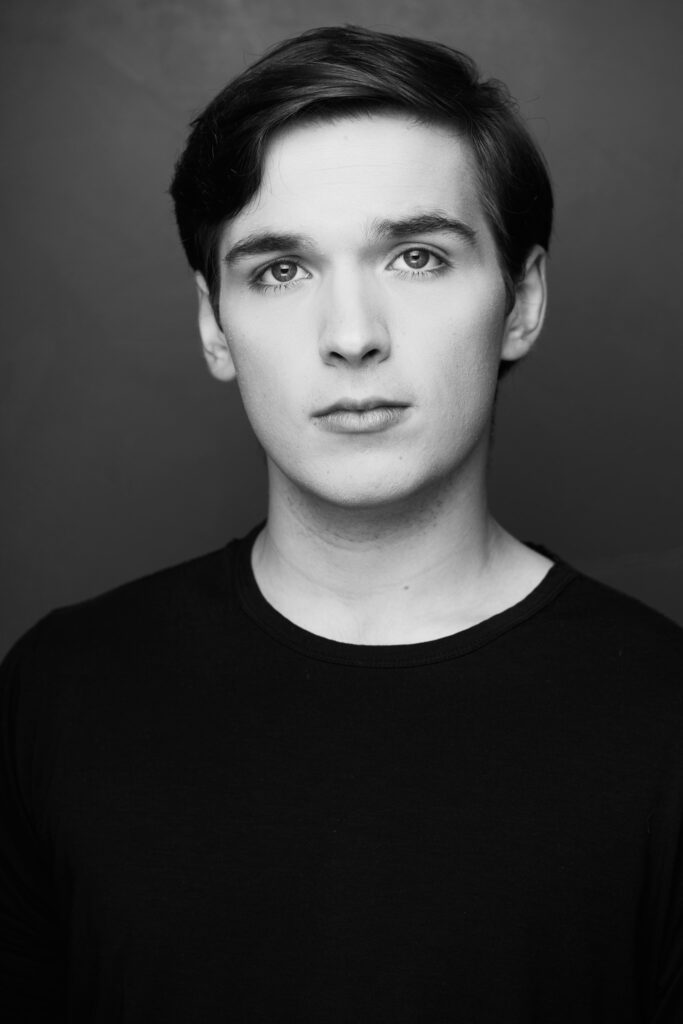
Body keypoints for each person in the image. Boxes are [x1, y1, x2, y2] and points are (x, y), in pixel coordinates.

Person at [1, 23, 681, 1022]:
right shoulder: (57, 695)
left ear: (521, 300)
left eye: (415, 257)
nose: (352, 336)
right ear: (213, 324)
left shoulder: (664, 721)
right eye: (280, 270)